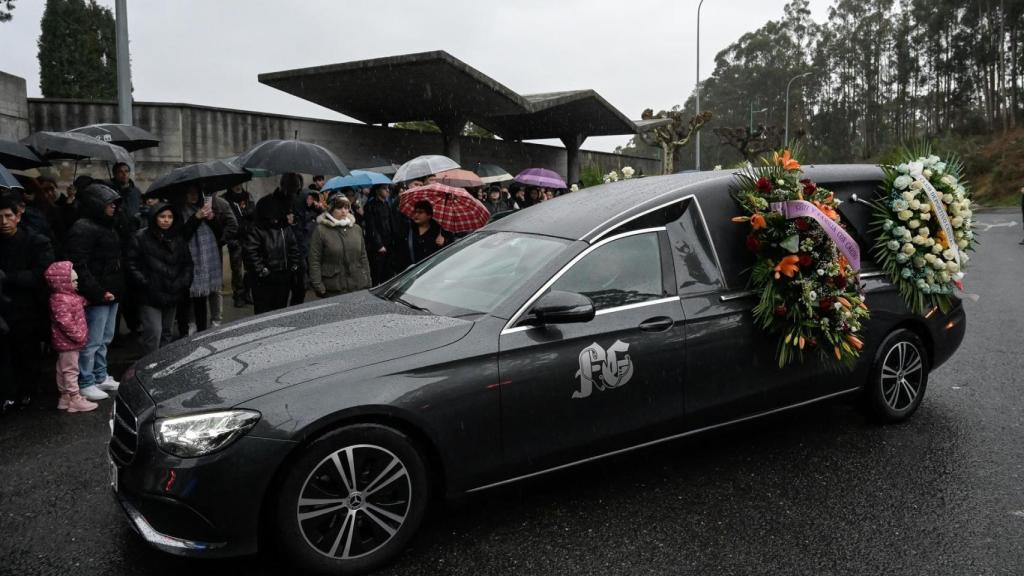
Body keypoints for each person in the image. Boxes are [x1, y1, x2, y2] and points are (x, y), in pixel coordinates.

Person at [64, 183, 122, 402]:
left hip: (110, 291)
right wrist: (98, 291)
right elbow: (78, 263)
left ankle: (100, 375)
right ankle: (86, 381)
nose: (114, 207)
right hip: (98, 293)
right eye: (110, 203)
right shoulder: (83, 228)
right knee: (92, 341)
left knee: (104, 338)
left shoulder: (108, 225)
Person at [0, 191, 55, 409]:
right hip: (3, 308)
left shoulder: (36, 241)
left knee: (27, 352)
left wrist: (7, 278)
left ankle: (28, 390)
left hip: (28, 307)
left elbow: (42, 273)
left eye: (7, 216)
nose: (3, 222)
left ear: (18, 216)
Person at [127, 204, 193, 353]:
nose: (166, 220)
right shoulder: (140, 237)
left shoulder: (177, 238)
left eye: (170, 217)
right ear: (154, 217)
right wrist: (146, 283)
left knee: (166, 332)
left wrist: (183, 282)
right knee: (153, 333)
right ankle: (147, 368)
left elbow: (187, 264)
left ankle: (163, 366)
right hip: (150, 294)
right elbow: (131, 264)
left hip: (172, 291)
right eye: (162, 217)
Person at [44, 261, 97, 413]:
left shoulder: (67, 297)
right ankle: (75, 397)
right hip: (69, 342)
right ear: (63, 283)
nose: (76, 283)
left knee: (62, 369)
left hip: (67, 342)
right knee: (71, 370)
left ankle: (65, 397)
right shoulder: (60, 299)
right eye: (73, 281)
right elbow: (64, 321)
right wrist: (79, 335)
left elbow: (79, 303)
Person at [173, 185, 222, 337]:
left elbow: (219, 233)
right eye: (190, 193)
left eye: (196, 193)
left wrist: (212, 218)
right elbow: (182, 235)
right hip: (189, 260)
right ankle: (185, 331)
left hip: (207, 262)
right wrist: (196, 218)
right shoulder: (178, 212)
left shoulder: (205, 208)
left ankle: (202, 331)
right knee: (186, 300)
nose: (194, 196)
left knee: (202, 299)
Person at [255, 173, 308, 306]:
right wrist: (282, 221)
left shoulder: (296, 201)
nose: (294, 193)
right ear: (284, 187)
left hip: (295, 254)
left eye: (297, 190)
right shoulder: (267, 203)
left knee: (300, 291)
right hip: (275, 260)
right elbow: (261, 229)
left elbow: (301, 226)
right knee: (276, 302)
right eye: (292, 190)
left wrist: (294, 222)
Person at [245, 197, 301, 314]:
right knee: (264, 311)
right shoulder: (256, 229)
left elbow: (293, 247)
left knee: (280, 310)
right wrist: (262, 270)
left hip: (283, 275)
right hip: (264, 279)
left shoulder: (284, 227)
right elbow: (251, 251)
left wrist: (293, 265)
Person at [308, 196, 371, 298]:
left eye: (346, 208)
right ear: (331, 209)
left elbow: (363, 257)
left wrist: (368, 280)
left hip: (358, 285)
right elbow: (314, 260)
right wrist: (319, 286)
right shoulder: (321, 230)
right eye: (339, 208)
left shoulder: (356, 229)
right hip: (333, 288)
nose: (343, 211)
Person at [223, 185, 255, 307]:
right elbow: (224, 219)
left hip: (248, 237)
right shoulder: (225, 199)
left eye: (239, 183)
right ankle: (238, 295)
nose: (237, 186)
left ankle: (247, 292)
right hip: (235, 239)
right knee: (236, 269)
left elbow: (253, 213)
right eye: (234, 183)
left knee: (250, 267)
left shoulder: (248, 196)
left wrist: (246, 210)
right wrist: (228, 238)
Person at [363, 184, 401, 284]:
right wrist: (378, 244)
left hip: (389, 243)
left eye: (388, 188)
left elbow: (391, 223)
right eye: (384, 188)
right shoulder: (370, 206)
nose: (387, 191)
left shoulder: (386, 204)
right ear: (377, 190)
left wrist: (395, 239)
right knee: (377, 273)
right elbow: (371, 227)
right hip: (378, 247)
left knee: (388, 273)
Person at [404, 200, 452, 265]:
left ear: (429, 215)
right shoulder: (408, 230)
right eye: (415, 212)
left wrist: (444, 242)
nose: (416, 215)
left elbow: (450, 250)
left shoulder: (439, 231)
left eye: (420, 212)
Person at [110, 162, 143, 229]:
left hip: (134, 229)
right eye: (120, 172)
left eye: (126, 171)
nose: (124, 174)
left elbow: (140, 207)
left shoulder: (136, 191)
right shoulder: (110, 191)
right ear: (115, 174)